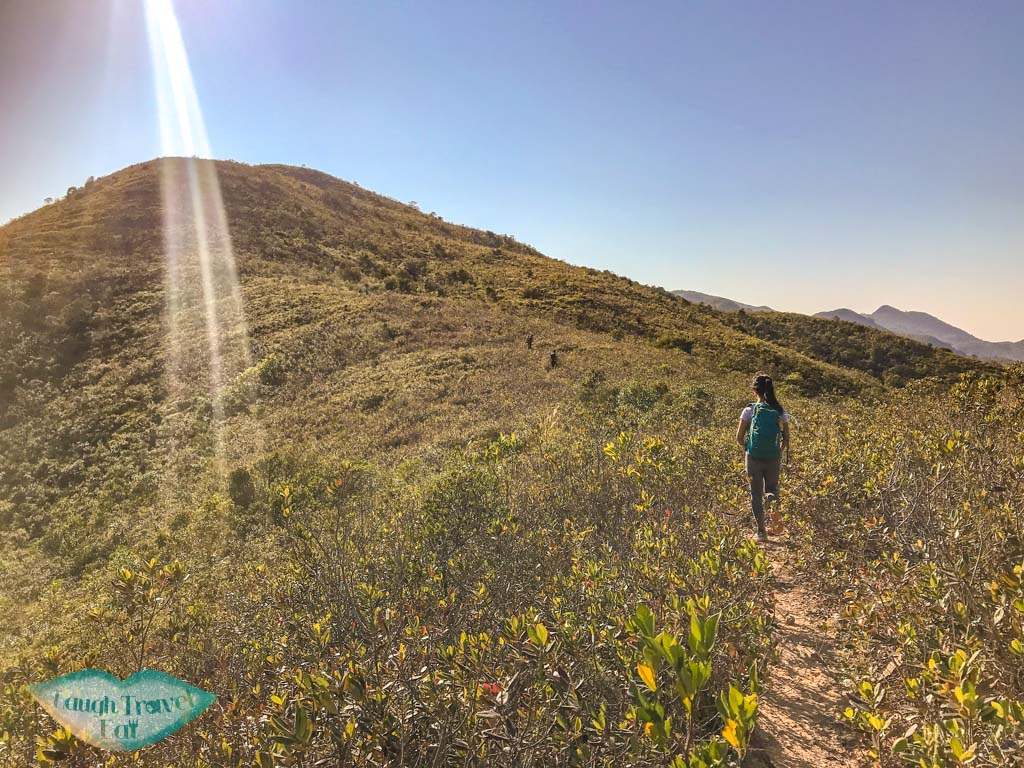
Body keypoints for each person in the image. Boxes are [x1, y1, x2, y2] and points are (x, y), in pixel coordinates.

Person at [736, 372, 790, 542]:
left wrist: (748, 448)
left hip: (753, 456)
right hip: (773, 457)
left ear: (754, 390)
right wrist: (777, 452)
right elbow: (786, 439)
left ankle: (761, 532)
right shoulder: (780, 412)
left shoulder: (749, 410)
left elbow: (739, 437)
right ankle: (775, 521)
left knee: (755, 494)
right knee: (772, 489)